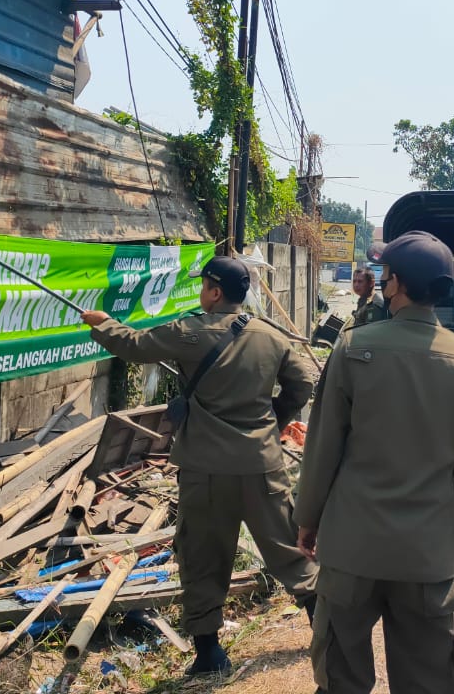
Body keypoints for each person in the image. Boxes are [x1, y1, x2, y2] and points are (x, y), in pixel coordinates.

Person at [80, 256, 317, 677]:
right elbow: (302, 384)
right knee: (287, 549)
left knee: (202, 557)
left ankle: (209, 655)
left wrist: (101, 323)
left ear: (216, 291)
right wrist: (273, 421)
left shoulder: (187, 332)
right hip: (261, 465)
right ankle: (329, 631)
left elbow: (133, 346)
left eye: (203, 284)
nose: (200, 291)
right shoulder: (270, 336)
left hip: (205, 469)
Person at [295, 230, 454, 694]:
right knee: (426, 677)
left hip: (351, 546)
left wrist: (308, 520)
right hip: (426, 553)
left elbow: (322, 446)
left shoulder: (353, 347)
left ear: (395, 284)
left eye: (385, 275)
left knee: (342, 673)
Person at [345, 265, 389, 330]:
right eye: (354, 281)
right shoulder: (363, 300)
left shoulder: (374, 306)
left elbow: (370, 333)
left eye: (360, 281)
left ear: (371, 283)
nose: (356, 285)